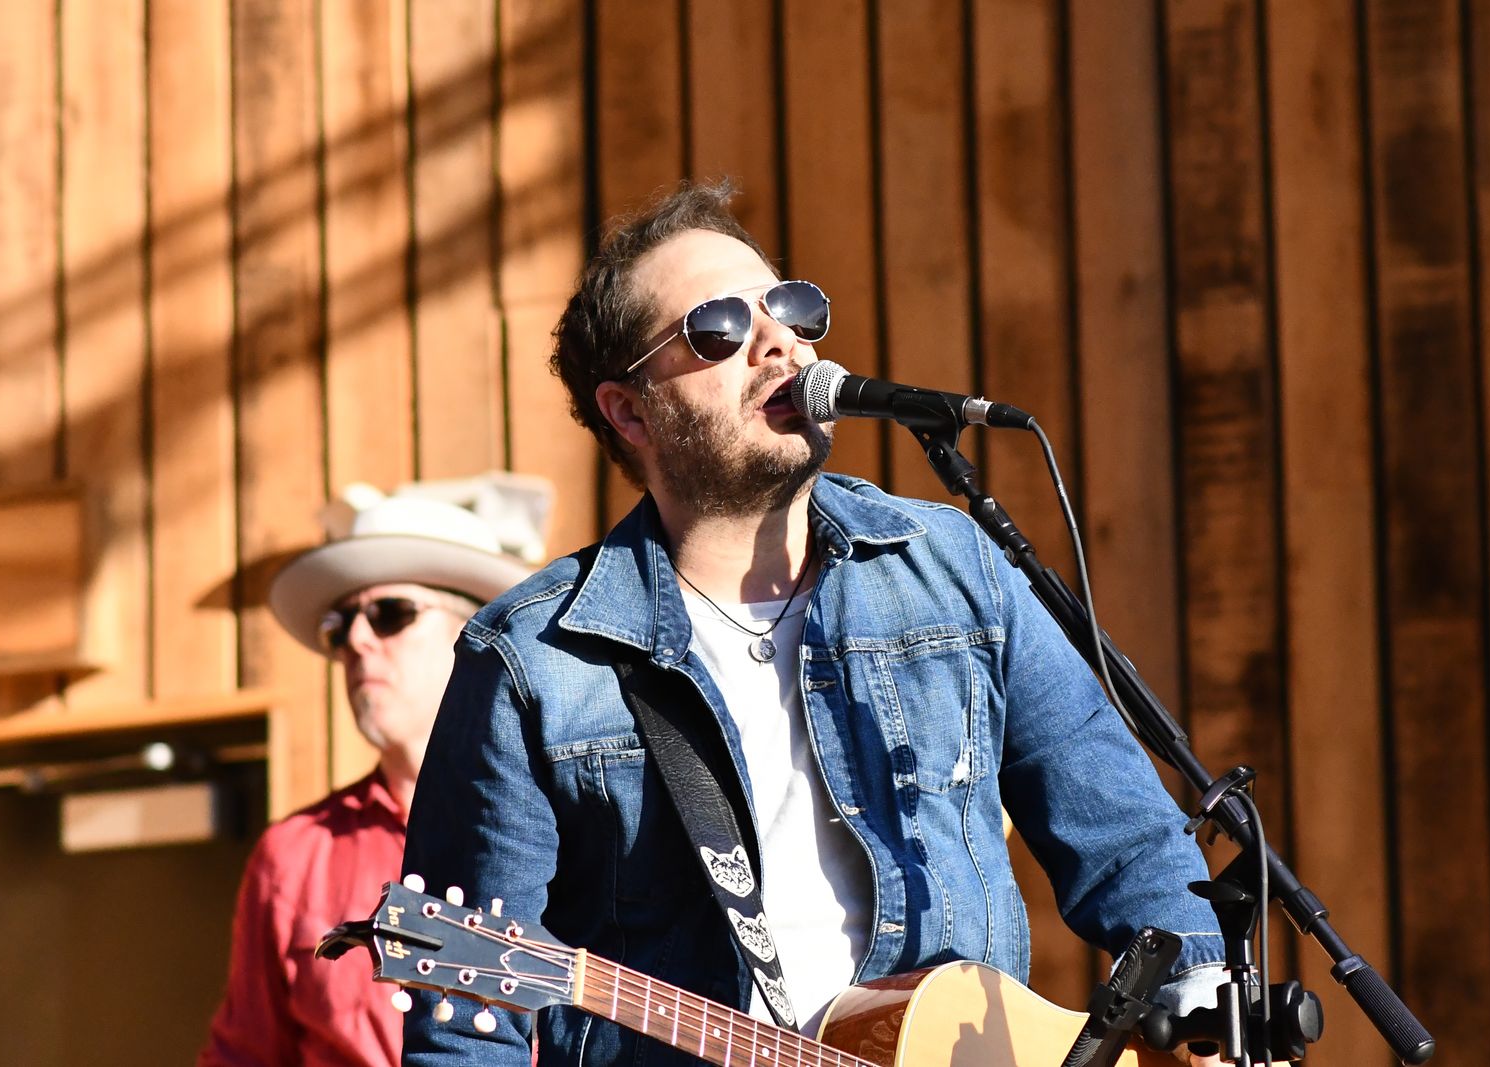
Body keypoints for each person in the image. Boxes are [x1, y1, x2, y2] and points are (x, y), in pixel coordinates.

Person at [401, 182, 1230, 1066]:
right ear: (630, 410)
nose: (780, 343)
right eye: (719, 327)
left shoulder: (954, 569)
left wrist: (1204, 1008)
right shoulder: (535, 661)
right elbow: (465, 1030)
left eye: (792, 309)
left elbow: (1130, 844)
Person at [199, 474, 550, 1067]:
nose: (356, 640)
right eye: (339, 625)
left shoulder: (580, 827)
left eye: (390, 613)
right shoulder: (295, 855)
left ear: (476, 640)